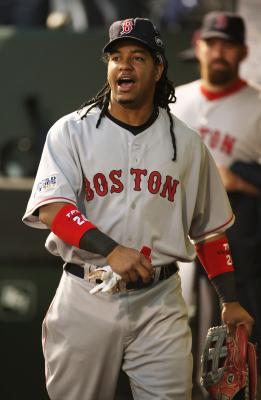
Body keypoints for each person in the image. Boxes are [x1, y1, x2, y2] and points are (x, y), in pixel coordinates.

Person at [22, 17, 254, 400]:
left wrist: (230, 300)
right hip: (86, 291)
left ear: (159, 67)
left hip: (159, 300)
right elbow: (52, 209)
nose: (123, 65)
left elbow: (210, 230)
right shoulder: (71, 131)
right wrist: (110, 250)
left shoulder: (187, 143)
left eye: (137, 57)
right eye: (115, 57)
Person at [171, 10, 261, 394]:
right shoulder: (175, 101)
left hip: (237, 248)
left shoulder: (257, 105)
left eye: (228, 44)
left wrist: (237, 178)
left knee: (232, 359)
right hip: (175, 243)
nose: (219, 52)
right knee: (179, 353)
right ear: (198, 46)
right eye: (212, 43)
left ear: (243, 51)